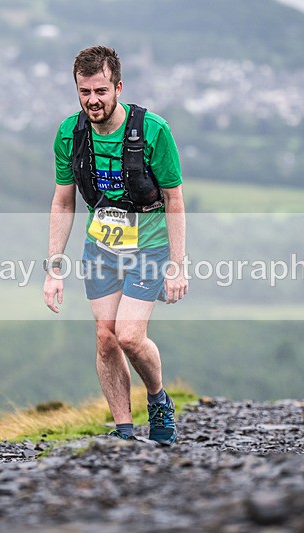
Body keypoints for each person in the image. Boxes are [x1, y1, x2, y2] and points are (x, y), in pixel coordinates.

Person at [43, 46, 187, 445]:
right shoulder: (69, 134)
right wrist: (54, 268)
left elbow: (175, 199)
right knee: (105, 337)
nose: (93, 100)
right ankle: (125, 432)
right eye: (84, 91)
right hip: (101, 249)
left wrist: (178, 264)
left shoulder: (154, 130)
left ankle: (158, 399)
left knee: (128, 335)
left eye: (101, 91)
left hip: (150, 245)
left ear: (118, 87)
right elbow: (63, 200)